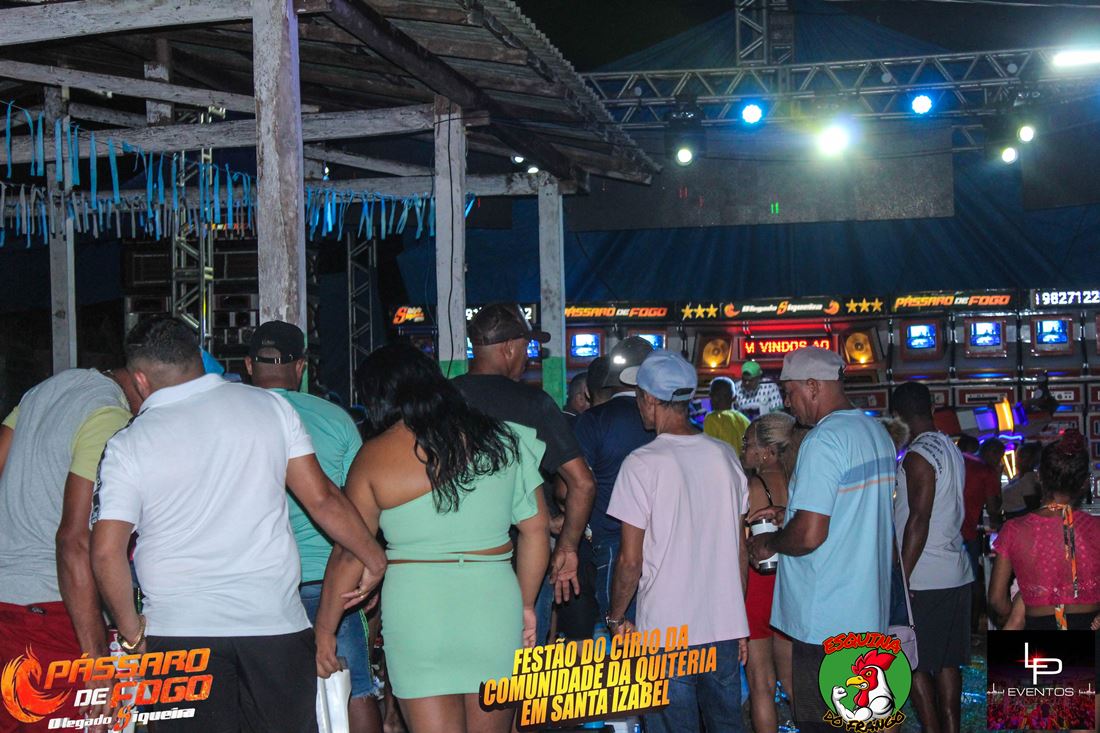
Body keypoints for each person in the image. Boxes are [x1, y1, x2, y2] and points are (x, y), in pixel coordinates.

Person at [90, 317, 388, 732]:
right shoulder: (271, 408)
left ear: (140, 379)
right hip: (274, 625)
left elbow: (106, 552)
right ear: (199, 359)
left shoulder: (127, 444)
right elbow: (322, 498)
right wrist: (373, 555)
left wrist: (132, 635)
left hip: (179, 632)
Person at [315, 343, 550, 733]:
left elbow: (348, 554)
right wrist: (526, 605)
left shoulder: (374, 457)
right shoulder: (504, 440)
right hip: (492, 606)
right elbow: (536, 530)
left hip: (417, 610)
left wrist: (325, 631)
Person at [746, 347, 896, 732]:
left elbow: (811, 535)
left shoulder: (824, 440)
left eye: (790, 392)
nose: (787, 402)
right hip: (866, 613)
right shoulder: (875, 433)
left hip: (825, 620)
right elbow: (850, 511)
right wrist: (790, 513)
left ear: (813, 386)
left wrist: (770, 542)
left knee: (824, 724)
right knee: (861, 722)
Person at [245, 321, 381, 733]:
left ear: (249, 365)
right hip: (331, 581)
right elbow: (360, 507)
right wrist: (370, 562)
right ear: (300, 366)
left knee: (264, 697)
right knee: (355, 688)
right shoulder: (335, 419)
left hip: (258, 583)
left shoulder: (230, 417)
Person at [606, 351, 749, 733]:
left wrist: (616, 618)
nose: (638, 405)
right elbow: (740, 549)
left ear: (651, 400)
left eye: (639, 397)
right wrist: (738, 622)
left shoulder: (641, 464)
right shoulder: (725, 456)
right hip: (722, 628)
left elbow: (630, 562)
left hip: (665, 634)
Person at [0, 367, 140, 733]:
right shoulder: (110, 416)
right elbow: (74, 542)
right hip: (52, 609)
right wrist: (96, 661)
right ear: (145, 383)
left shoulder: (46, 390)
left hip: (7, 606)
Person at [452, 304, 594, 633]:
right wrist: (568, 546)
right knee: (521, 660)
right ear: (509, 347)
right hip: (522, 566)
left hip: (450, 563)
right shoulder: (534, 405)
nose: (529, 358)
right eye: (527, 347)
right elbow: (583, 484)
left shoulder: (442, 399)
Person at [891, 382, 973, 733]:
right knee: (948, 662)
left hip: (924, 577)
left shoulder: (917, 456)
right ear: (931, 408)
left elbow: (918, 520)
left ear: (898, 416)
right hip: (956, 571)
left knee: (911, 660)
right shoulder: (949, 448)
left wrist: (900, 580)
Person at [572, 336, 654, 618]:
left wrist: (570, 537)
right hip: (665, 544)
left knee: (620, 630)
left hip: (612, 543)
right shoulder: (673, 425)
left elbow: (575, 486)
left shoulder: (593, 421)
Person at [990, 430, 1100, 630]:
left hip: (1038, 625)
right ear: (1084, 483)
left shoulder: (1015, 530)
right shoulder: (1096, 528)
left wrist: (1015, 614)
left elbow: (997, 598)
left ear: (1039, 476)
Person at [741, 413, 806, 733]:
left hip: (758, 588)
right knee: (794, 684)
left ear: (766, 451)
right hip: (789, 586)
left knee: (761, 685)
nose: (743, 449)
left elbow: (744, 546)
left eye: (747, 443)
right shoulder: (799, 482)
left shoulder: (753, 487)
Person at [960, 436, 1005, 631]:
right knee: (973, 580)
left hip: (945, 529)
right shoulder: (986, 471)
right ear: (991, 453)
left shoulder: (960, 460)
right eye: (999, 456)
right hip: (969, 531)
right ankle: (971, 629)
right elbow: (994, 507)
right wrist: (997, 478)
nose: (999, 461)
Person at [704, 376, 751, 458]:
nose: (716, 399)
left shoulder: (712, 418)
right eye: (715, 395)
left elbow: (709, 452)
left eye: (722, 396)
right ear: (734, 397)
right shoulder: (745, 420)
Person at [1001, 442, 1042, 519]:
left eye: (1019, 457)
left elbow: (1032, 507)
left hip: (1017, 519)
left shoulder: (1028, 479)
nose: (1016, 459)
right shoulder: (1018, 477)